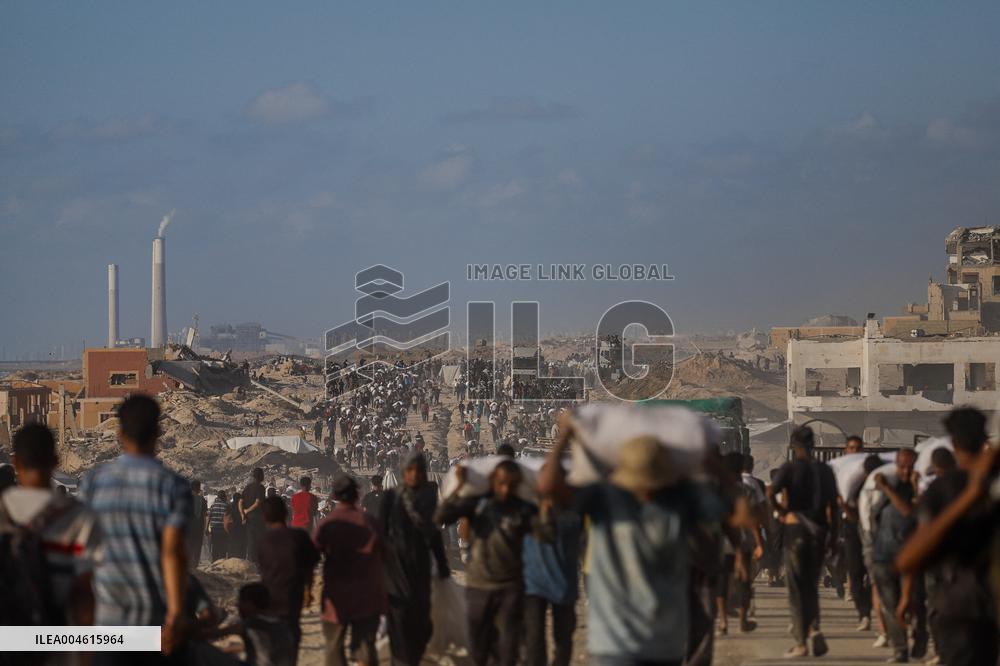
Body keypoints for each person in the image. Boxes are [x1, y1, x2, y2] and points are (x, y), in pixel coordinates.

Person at [539, 427, 727, 666]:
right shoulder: (605, 498)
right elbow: (548, 488)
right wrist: (564, 437)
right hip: (622, 637)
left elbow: (733, 520)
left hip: (655, 637)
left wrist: (713, 463)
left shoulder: (675, 502)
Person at [78, 394, 192, 661]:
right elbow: (172, 554)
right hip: (154, 622)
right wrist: (176, 616)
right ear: (157, 432)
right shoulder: (173, 486)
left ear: (119, 433)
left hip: (106, 625)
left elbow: (83, 557)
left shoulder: (93, 483)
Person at [896, 408, 1000, 666]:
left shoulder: (945, 488)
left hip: (960, 608)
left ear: (954, 443)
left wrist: (907, 595)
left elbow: (909, 558)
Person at [435, 459, 546, 666]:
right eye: (501, 483)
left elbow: (546, 535)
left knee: (508, 649)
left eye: (511, 485)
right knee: (478, 647)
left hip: (510, 587)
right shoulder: (477, 505)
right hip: (480, 586)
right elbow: (441, 515)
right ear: (494, 481)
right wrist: (458, 486)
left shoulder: (524, 510)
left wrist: (543, 500)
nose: (505, 490)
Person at [0, 423, 102, 633]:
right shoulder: (79, 517)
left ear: (15, 463)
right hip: (57, 641)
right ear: (55, 462)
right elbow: (84, 592)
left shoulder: (3, 512)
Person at [767, 425, 838, 659]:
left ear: (793, 445)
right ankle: (815, 628)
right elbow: (833, 506)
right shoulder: (825, 471)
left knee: (796, 590)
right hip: (819, 533)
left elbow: (770, 494)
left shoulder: (790, 468)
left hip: (795, 531)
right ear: (813, 444)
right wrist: (833, 537)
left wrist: (782, 511)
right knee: (811, 586)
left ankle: (801, 642)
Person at [378, 452, 450, 666]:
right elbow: (381, 532)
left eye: (419, 470)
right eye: (410, 470)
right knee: (399, 621)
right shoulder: (391, 498)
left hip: (420, 566)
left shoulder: (429, 496)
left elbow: (434, 533)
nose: (415, 475)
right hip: (395, 568)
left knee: (422, 625)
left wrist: (443, 564)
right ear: (403, 472)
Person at [314, 474, 387, 666]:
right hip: (367, 594)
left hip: (336, 595)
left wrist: (306, 586)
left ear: (334, 496)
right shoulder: (371, 522)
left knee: (334, 647)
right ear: (356, 495)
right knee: (365, 649)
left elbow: (311, 555)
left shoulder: (327, 523)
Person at [870, 448, 922, 662]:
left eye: (910, 466)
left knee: (914, 602)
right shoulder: (884, 489)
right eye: (901, 465)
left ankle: (918, 638)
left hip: (910, 557)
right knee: (890, 605)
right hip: (883, 557)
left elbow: (908, 511)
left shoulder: (918, 490)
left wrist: (887, 486)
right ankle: (900, 649)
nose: (905, 470)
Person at [522, 495, 583, 666]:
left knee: (563, 643)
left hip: (564, 585)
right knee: (534, 642)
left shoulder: (576, 507)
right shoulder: (528, 507)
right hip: (533, 585)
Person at [257, 496, 320, 661]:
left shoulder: (263, 541)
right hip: (293, 597)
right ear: (286, 513)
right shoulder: (298, 537)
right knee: (291, 639)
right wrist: (308, 590)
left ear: (264, 517)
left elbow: (262, 571)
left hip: (269, 598)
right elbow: (310, 566)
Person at [241, 468, 267, 562]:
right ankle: (257, 562)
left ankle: (251, 561)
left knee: (251, 541)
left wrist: (243, 514)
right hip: (258, 518)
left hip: (249, 519)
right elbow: (257, 502)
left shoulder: (247, 487)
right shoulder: (261, 488)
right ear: (261, 476)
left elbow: (240, 502)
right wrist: (247, 511)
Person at [188, 479, 208, 567]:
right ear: (199, 489)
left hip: (188, 528)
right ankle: (194, 566)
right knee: (197, 547)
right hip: (199, 527)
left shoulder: (185, 498)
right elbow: (204, 516)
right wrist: (204, 529)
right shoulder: (202, 500)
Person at [207, 490, 229, 562]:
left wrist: (207, 528)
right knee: (223, 546)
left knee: (215, 546)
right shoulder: (226, 505)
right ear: (224, 497)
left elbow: (209, 517)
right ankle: (222, 561)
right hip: (223, 529)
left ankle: (214, 561)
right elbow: (227, 518)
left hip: (214, 529)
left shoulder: (213, 506)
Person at [228, 491, 247, 559]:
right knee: (241, 543)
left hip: (232, 527)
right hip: (241, 527)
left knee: (232, 543)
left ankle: (232, 557)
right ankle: (241, 557)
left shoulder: (230, 505)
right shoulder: (243, 505)